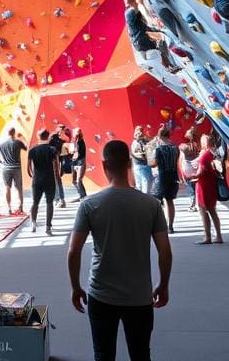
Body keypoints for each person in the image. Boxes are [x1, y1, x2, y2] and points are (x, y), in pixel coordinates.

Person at [67, 140, 173, 361]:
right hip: (139, 296)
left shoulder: (89, 204)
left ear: (104, 165)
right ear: (129, 164)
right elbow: (165, 251)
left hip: (100, 294)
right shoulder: (151, 204)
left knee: (103, 354)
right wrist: (163, 285)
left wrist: (76, 287)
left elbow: (73, 251)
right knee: (141, 354)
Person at [124, 0, 180, 74]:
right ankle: (168, 68)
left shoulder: (130, 10)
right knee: (158, 51)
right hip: (140, 41)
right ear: (132, 2)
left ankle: (170, 67)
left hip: (141, 38)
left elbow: (139, 4)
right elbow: (139, 5)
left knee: (159, 48)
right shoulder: (130, 12)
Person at [187, 132, 224, 245]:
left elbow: (201, 171)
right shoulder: (212, 153)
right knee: (212, 210)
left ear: (204, 143)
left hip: (204, 185)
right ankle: (218, 235)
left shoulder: (204, 155)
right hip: (211, 183)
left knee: (203, 210)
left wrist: (191, 176)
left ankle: (207, 236)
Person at [27, 129, 60, 235]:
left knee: (35, 202)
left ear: (38, 136)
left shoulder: (32, 150)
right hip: (49, 179)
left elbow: (28, 168)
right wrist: (57, 176)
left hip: (37, 180)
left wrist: (33, 175)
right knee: (49, 202)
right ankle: (48, 227)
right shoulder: (52, 149)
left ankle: (33, 223)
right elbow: (56, 165)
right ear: (48, 137)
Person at [149, 126, 180, 233]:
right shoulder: (176, 148)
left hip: (162, 177)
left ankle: (160, 225)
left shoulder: (159, 149)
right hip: (173, 176)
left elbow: (154, 164)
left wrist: (149, 160)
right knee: (170, 201)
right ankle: (170, 226)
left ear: (160, 136)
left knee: (156, 201)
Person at [0, 127, 27, 215]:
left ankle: (9, 208)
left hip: (6, 168)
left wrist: (1, 162)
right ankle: (21, 207)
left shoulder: (2, 144)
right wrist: (23, 139)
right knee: (19, 188)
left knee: (7, 188)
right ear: (14, 133)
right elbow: (26, 148)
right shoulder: (18, 142)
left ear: (7, 133)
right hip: (16, 168)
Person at [179, 128, 201, 212]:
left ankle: (192, 205)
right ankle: (200, 203)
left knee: (191, 188)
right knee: (197, 187)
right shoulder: (198, 145)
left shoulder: (183, 146)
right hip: (197, 168)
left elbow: (180, 160)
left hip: (187, 169)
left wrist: (181, 174)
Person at [49, 126, 69, 209]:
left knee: (55, 182)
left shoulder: (52, 146)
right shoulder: (60, 143)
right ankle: (60, 200)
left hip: (54, 165)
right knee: (57, 182)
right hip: (58, 165)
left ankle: (59, 200)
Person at [131, 127, 153, 194]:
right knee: (144, 185)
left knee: (144, 184)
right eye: (138, 132)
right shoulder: (135, 143)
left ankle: (142, 200)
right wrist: (146, 156)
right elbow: (138, 155)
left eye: (141, 131)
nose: (140, 133)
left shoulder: (145, 142)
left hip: (144, 165)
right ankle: (143, 200)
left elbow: (150, 150)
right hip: (140, 165)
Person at [71, 127, 88, 201]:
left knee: (79, 180)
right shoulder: (74, 141)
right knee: (74, 181)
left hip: (80, 162)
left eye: (77, 132)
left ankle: (83, 196)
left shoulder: (80, 141)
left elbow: (77, 152)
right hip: (75, 162)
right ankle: (81, 195)